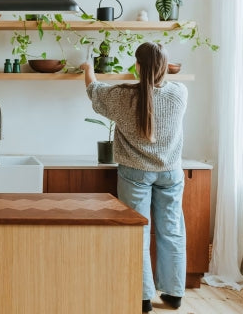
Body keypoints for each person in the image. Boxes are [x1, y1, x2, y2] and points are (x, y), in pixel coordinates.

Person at [79, 42, 188, 313]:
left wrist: (88, 68)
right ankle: (174, 294)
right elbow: (155, 89)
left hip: (135, 173)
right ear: (165, 67)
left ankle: (141, 298)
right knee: (172, 231)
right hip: (170, 173)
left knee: (137, 234)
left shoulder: (121, 97)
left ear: (137, 66)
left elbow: (93, 91)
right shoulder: (179, 93)